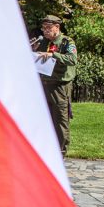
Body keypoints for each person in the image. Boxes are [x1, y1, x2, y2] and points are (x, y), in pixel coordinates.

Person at [33, 15, 77, 156]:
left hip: (60, 86)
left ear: (57, 27)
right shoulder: (43, 42)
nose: (45, 31)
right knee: (44, 118)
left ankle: (60, 152)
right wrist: (32, 50)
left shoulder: (66, 42)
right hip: (44, 85)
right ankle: (46, 150)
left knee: (60, 120)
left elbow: (72, 59)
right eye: (43, 28)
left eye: (48, 28)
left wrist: (54, 55)